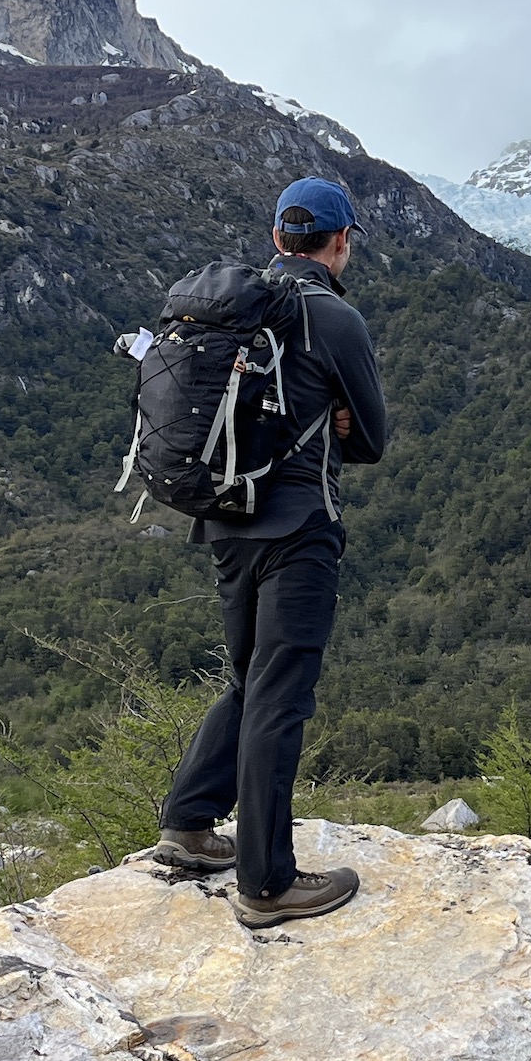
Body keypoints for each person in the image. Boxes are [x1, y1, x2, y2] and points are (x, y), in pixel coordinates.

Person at [154, 176, 390, 927]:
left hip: (225, 522)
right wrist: (342, 421)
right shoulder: (333, 318)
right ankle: (266, 884)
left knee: (250, 679)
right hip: (300, 529)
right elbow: (373, 441)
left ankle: (189, 822)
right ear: (341, 241)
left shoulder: (231, 308)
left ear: (277, 237)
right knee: (280, 697)